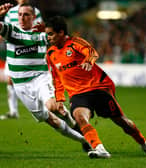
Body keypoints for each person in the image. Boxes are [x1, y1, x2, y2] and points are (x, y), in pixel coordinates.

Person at [45, 15, 146, 158]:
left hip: (97, 88)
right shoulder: (50, 53)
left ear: (61, 33)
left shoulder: (74, 43)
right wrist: (59, 98)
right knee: (80, 117)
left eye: (50, 34)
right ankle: (100, 149)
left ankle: (145, 145)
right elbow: (57, 78)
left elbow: (91, 52)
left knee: (122, 122)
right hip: (77, 94)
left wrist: (89, 60)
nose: (48, 37)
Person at [0, 3, 90, 152]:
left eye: (26, 15)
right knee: (51, 121)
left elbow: (65, 41)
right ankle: (82, 138)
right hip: (21, 86)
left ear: (34, 17)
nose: (22, 18)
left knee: (53, 107)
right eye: (20, 14)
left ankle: (74, 125)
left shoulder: (44, 35)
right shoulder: (11, 31)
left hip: (40, 77)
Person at [1, 0, 43, 119]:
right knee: (10, 79)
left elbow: (40, 29)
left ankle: (42, 105)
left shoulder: (36, 11)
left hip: (30, 47)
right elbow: (6, 29)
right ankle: (13, 111)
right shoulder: (10, 12)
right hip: (14, 47)